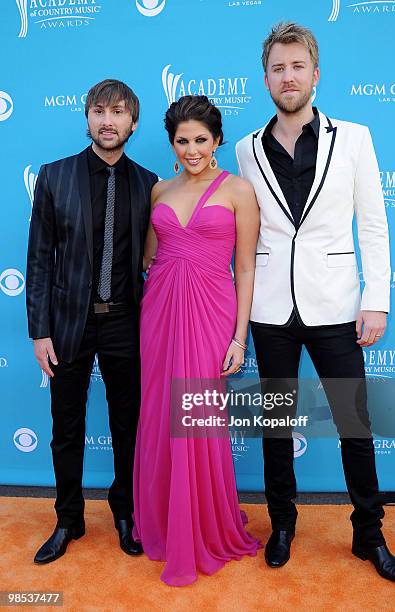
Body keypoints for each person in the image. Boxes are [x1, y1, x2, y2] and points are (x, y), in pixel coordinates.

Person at [236, 23, 395, 583]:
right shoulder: (245, 148)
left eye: (296, 67)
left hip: (337, 305)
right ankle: (282, 525)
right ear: (265, 79)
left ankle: (370, 534)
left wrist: (377, 300)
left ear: (315, 73)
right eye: (277, 69)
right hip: (270, 310)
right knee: (274, 425)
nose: (287, 77)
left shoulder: (355, 138)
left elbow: (374, 226)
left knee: (354, 424)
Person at [26, 79, 158, 564]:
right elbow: (39, 259)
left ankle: (125, 514)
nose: (108, 120)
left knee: (128, 424)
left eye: (118, 112)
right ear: (86, 118)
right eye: (100, 111)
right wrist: (39, 330)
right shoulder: (54, 176)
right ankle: (68, 519)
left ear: (133, 123)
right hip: (67, 324)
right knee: (67, 424)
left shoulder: (149, 184)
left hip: (127, 321)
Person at [132, 95, 261, 586]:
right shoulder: (159, 190)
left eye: (200, 140)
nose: (191, 149)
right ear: (172, 143)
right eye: (182, 140)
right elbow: (151, 255)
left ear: (217, 141)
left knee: (198, 416)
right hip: (161, 309)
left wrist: (239, 337)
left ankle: (203, 526)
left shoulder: (238, 190)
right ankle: (163, 521)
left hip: (212, 314)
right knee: (161, 412)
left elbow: (245, 267)